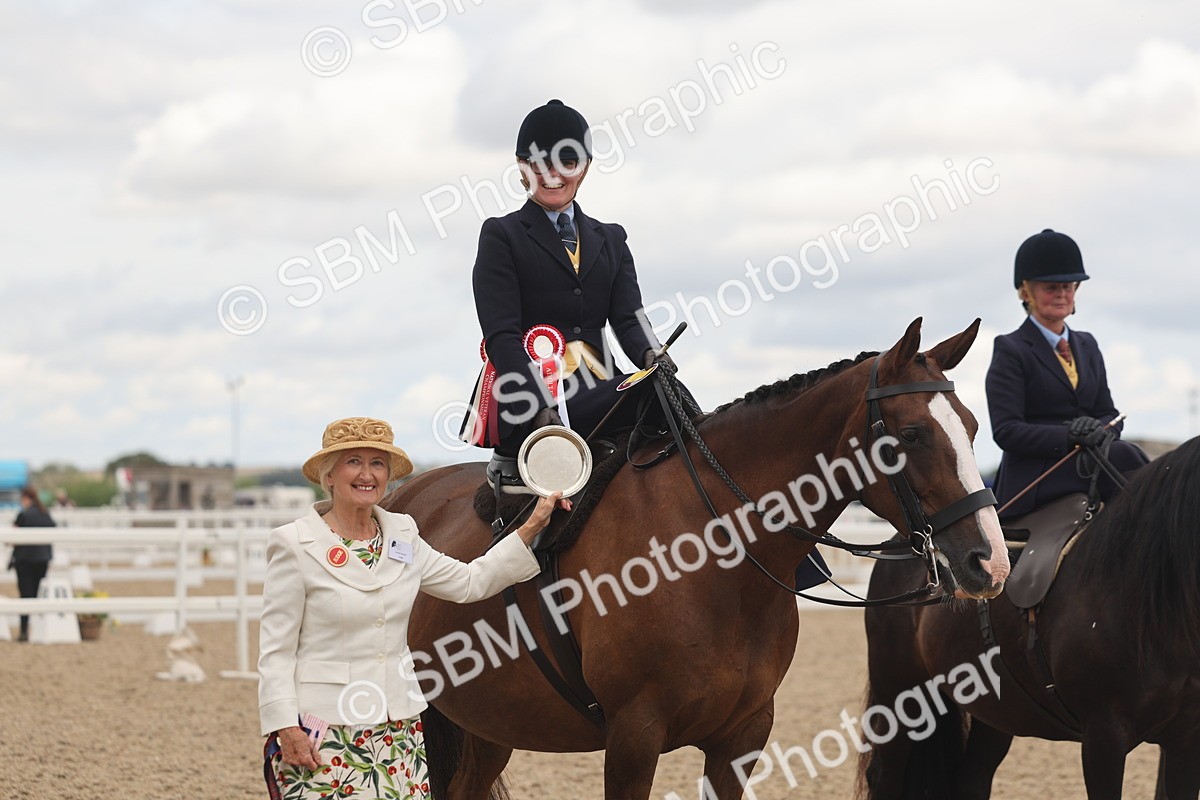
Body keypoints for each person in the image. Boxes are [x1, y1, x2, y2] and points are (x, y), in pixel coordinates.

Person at [258, 417, 569, 799]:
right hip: (322, 730)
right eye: (353, 462)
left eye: (377, 463)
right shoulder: (293, 544)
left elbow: (469, 581)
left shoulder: (403, 533)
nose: (367, 474)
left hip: (398, 730)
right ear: (329, 476)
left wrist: (532, 525)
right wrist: (286, 728)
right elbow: (276, 651)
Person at [460, 99, 692, 490]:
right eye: (540, 163)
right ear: (521, 167)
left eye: (566, 162)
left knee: (664, 384)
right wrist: (539, 403)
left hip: (601, 389)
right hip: (530, 399)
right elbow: (502, 336)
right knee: (652, 392)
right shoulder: (502, 235)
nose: (553, 175)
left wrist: (652, 354)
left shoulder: (611, 238)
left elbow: (628, 319)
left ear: (584, 167)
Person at [986, 229, 1149, 519]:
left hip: (1092, 461)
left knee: (1132, 455)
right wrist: (1070, 434)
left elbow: (1108, 412)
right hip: (1038, 474)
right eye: (1051, 287)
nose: (1061, 293)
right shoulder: (1010, 348)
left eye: (1068, 286)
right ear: (1026, 292)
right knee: (1124, 455)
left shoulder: (1087, 344)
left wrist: (1098, 430)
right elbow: (1007, 431)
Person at [9, 486, 55, 642]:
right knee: (38, 594)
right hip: (42, 559)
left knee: (25, 596)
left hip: (25, 560)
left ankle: (24, 631)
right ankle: (38, 629)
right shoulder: (45, 513)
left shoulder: (24, 515)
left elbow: (13, 537)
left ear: (25, 497)